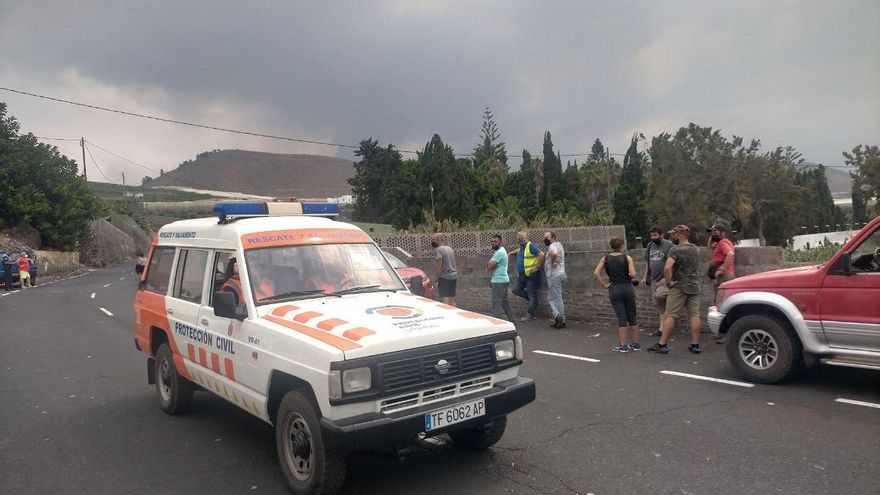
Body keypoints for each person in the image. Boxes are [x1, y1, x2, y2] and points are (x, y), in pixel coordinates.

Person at [648, 225, 703, 354]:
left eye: (675, 233)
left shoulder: (675, 249)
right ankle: (695, 345)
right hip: (694, 285)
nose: (673, 235)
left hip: (679, 286)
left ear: (680, 234)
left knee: (670, 314)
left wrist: (668, 282)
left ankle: (662, 344)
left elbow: (667, 268)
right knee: (694, 315)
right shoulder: (696, 249)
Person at [594, 237, 641, 352]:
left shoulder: (605, 258)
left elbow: (596, 273)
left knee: (621, 317)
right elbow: (633, 274)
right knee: (632, 315)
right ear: (622, 246)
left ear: (611, 246)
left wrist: (604, 285)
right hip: (628, 288)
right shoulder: (627, 258)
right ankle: (636, 343)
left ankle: (623, 345)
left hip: (614, 288)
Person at [642, 226, 674, 336]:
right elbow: (648, 262)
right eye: (651, 235)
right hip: (653, 279)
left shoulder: (669, 245)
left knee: (660, 296)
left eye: (655, 235)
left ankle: (667, 327)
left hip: (664, 279)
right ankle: (662, 328)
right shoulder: (650, 245)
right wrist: (645, 276)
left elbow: (675, 262)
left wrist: (667, 277)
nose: (653, 237)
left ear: (661, 235)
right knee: (658, 304)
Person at [708, 222, 736, 343]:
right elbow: (709, 245)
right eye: (712, 232)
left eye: (716, 232)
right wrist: (712, 234)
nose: (713, 234)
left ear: (723, 233)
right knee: (720, 304)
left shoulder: (723, 242)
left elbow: (730, 254)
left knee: (723, 305)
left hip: (725, 276)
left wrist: (722, 269)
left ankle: (727, 335)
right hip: (723, 277)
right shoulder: (721, 243)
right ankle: (722, 333)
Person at [509, 231, 544, 322]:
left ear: (527, 238)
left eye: (522, 238)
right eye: (519, 239)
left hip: (531, 275)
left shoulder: (530, 245)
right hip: (522, 275)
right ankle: (533, 301)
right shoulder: (522, 247)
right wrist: (510, 253)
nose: (520, 240)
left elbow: (541, 254)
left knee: (532, 294)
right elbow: (518, 251)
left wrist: (538, 266)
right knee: (516, 290)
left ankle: (529, 314)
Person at [487, 234, 515, 322]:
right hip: (502, 280)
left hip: (499, 282)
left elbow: (489, 266)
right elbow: (491, 265)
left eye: (495, 241)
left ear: (500, 242)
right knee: (505, 303)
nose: (493, 243)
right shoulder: (501, 251)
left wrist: (491, 263)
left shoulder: (499, 252)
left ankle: (497, 323)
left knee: (497, 303)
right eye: (492, 241)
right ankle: (513, 322)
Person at [543, 230, 567, 328]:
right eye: (544, 237)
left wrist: (553, 262)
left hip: (554, 275)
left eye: (547, 237)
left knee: (553, 298)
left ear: (553, 238)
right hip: (560, 273)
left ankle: (558, 316)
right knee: (556, 297)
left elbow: (554, 253)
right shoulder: (559, 245)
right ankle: (560, 319)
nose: (545, 239)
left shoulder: (552, 246)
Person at [432, 233, 458, 307]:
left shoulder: (438, 250)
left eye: (433, 240)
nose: (432, 242)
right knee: (452, 300)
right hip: (453, 276)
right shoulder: (450, 249)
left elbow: (439, 266)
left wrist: (437, 280)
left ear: (439, 240)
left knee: (445, 300)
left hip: (445, 277)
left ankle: (447, 313)